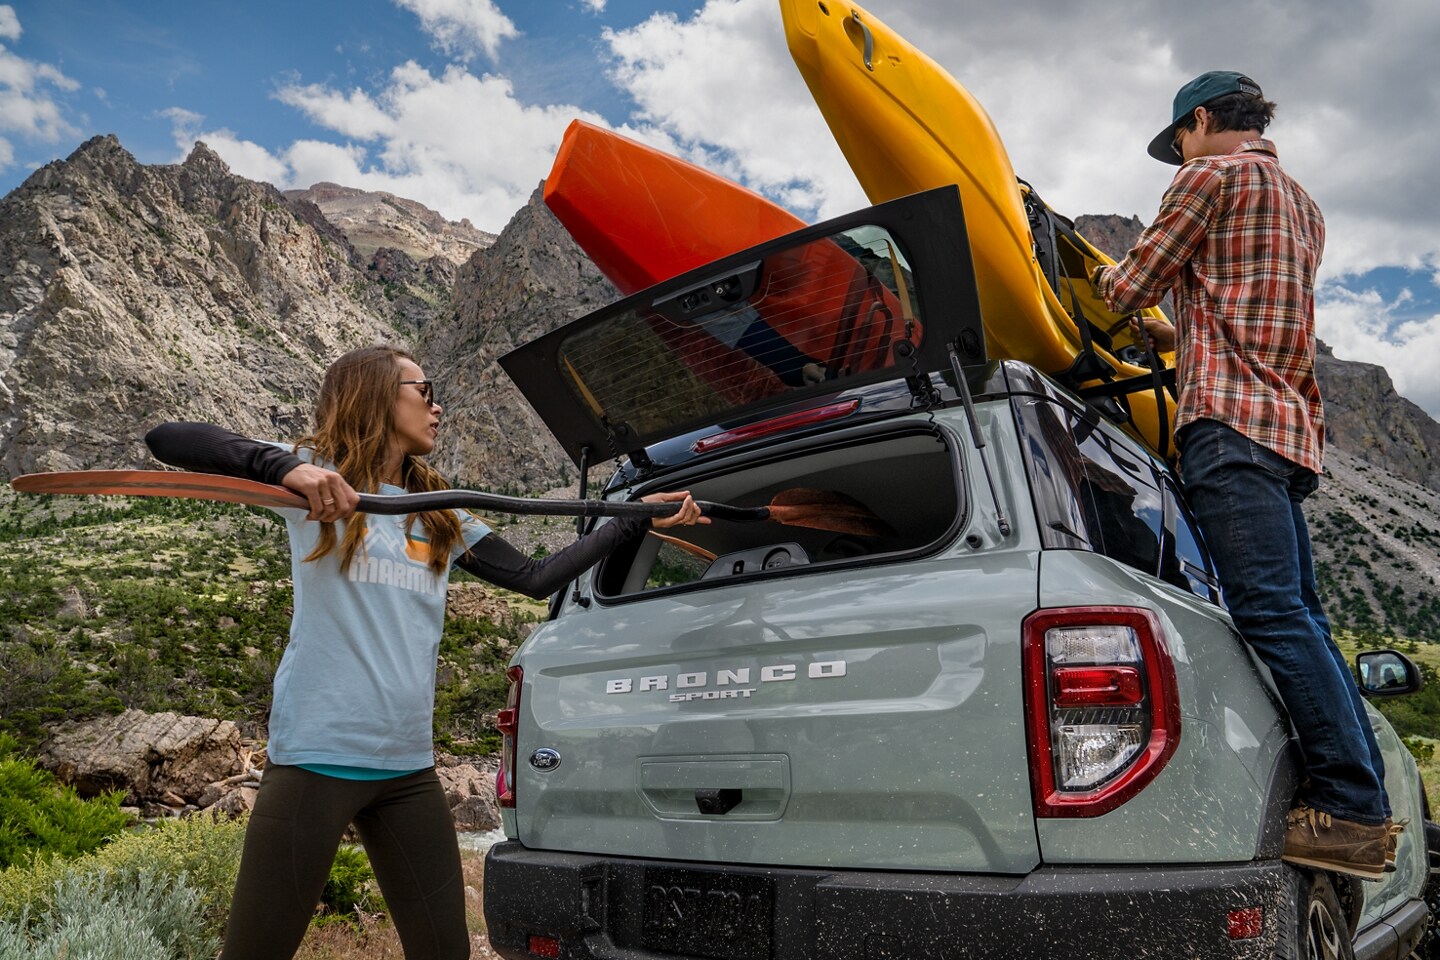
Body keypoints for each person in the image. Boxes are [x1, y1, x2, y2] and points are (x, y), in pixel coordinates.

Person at [144, 344, 705, 959]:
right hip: (315, 760)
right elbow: (167, 438)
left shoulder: (440, 512)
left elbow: (536, 578)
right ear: (376, 396)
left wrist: (630, 519)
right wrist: (286, 469)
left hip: (406, 769)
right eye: (425, 391)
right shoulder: (314, 479)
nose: (438, 408)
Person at [1090, 71, 1393, 879]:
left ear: (1199, 120)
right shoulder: (1303, 204)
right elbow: (1242, 307)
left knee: (1271, 617)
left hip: (1227, 427)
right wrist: (1180, 332)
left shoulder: (1209, 177)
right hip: (1287, 432)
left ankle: (1351, 810)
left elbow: (1128, 289)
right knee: (1304, 619)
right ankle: (1364, 808)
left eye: (1178, 142)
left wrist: (1099, 282)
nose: (1179, 156)